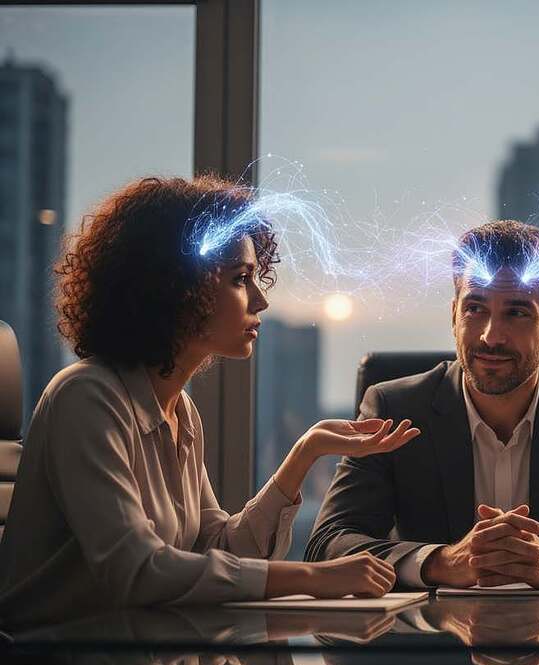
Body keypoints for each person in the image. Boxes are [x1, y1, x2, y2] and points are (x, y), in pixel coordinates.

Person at [0, 176, 419, 625]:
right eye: (240, 279)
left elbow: (218, 548)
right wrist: (311, 577)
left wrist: (305, 453)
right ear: (176, 287)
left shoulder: (179, 409)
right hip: (54, 660)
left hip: (141, 653)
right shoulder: (85, 398)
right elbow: (137, 572)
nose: (259, 299)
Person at [306, 220, 539, 590]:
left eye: (517, 312)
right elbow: (329, 546)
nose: (491, 336)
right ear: (453, 316)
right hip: (430, 644)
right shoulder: (395, 406)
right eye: (475, 309)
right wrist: (441, 562)